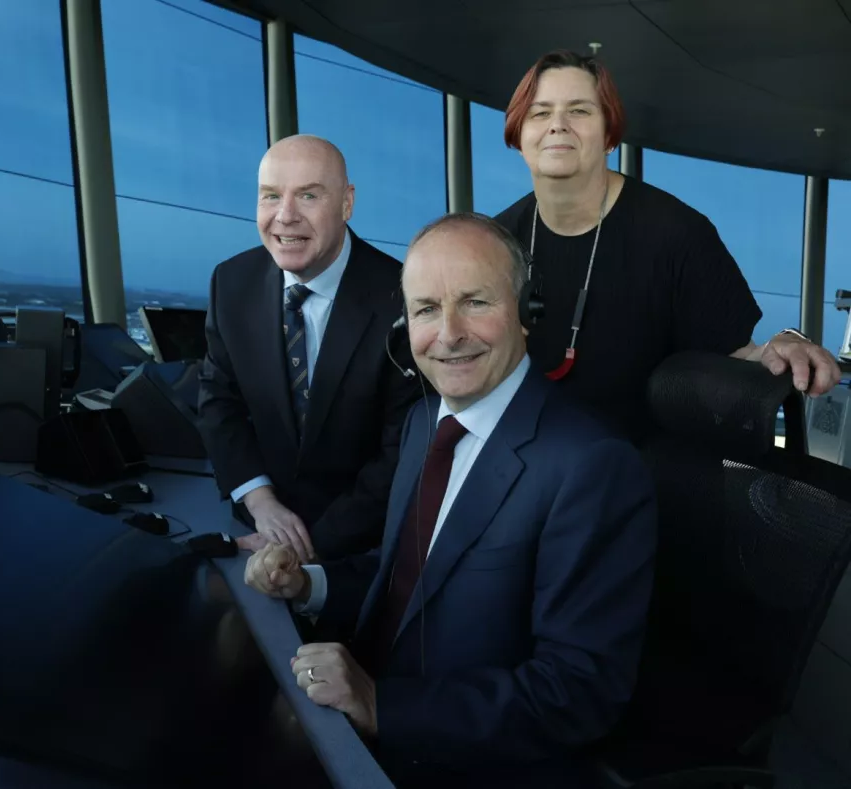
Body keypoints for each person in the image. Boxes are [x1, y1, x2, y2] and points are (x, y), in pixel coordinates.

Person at [244, 212, 658, 787]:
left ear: (526, 313)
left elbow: (578, 691)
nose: (449, 334)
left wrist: (381, 705)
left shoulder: (591, 466)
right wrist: (310, 583)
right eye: (426, 310)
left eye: (475, 303)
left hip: (459, 757)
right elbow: (411, 576)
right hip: (361, 714)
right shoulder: (425, 422)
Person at [494, 49, 842, 444]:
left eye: (579, 111)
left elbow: (737, 355)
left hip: (642, 472)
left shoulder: (677, 233)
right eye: (540, 113)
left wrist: (781, 345)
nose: (557, 125)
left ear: (609, 136)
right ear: (519, 137)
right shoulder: (494, 243)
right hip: (525, 462)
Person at [197, 135, 420, 562]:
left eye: (308, 195)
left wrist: (309, 546)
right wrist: (261, 503)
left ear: (347, 203)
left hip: (364, 549)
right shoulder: (231, 283)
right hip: (257, 531)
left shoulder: (404, 297)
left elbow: (403, 449)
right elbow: (218, 404)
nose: (285, 216)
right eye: (270, 197)